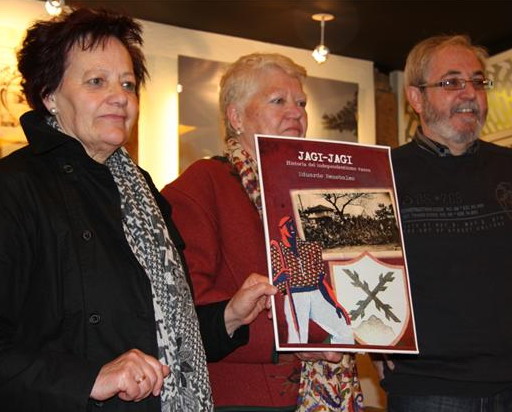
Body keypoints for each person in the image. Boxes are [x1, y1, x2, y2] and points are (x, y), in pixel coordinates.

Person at [0, 8, 276, 412]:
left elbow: (164, 330)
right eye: (96, 81)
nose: (120, 96)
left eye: (127, 84)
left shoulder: (141, 191)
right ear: (49, 95)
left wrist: (229, 317)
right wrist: (89, 379)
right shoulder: (15, 188)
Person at [161, 53, 363, 411]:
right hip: (242, 398)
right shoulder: (201, 185)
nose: (296, 112)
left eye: (301, 102)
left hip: (318, 390)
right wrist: (300, 336)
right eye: (278, 100)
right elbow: (185, 312)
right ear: (236, 117)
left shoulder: (317, 194)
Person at [380, 34, 512, 411]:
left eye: (478, 81)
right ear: (416, 98)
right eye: (451, 82)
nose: (469, 93)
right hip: (427, 387)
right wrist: (371, 342)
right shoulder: (383, 173)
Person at [271, 216, 354, 344]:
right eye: (288, 225)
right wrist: (278, 279)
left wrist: (335, 303)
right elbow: (271, 283)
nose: (292, 228)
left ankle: (339, 352)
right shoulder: (276, 249)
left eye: (293, 224)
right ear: (281, 228)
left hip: (316, 293)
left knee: (344, 330)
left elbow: (321, 280)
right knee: (298, 340)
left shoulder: (310, 247)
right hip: (294, 295)